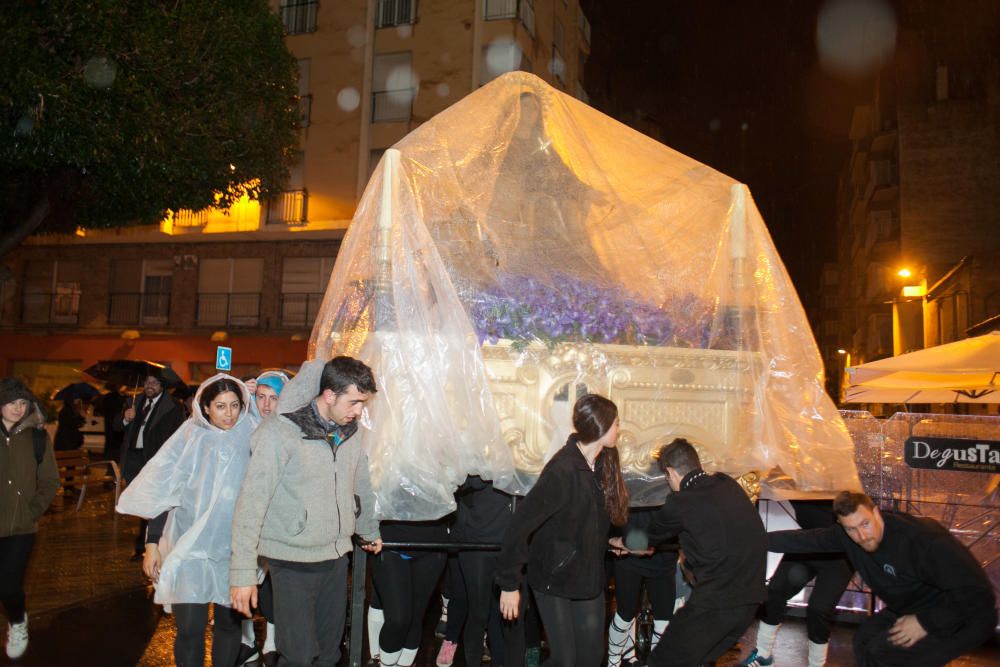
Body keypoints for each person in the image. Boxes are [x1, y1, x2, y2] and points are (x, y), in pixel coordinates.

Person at [229, 356, 383, 667]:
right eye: (354, 402)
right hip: (292, 560)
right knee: (297, 656)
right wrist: (242, 573)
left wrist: (369, 529)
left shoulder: (350, 433)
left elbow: (361, 483)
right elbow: (251, 504)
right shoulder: (280, 433)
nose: (359, 411)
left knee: (329, 653)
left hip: (336, 558)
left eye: (363, 403)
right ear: (329, 395)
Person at [117, 375, 258, 667]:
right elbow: (164, 489)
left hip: (233, 550)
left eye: (234, 405)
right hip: (188, 547)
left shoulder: (253, 435)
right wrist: (152, 543)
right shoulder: (188, 437)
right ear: (205, 407)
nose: (229, 413)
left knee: (228, 626)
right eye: (220, 406)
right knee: (190, 629)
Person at [768, 491, 997, 666]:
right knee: (863, 642)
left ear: (876, 512)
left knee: (885, 651)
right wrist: (755, 540)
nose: (862, 535)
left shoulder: (922, 539)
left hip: (964, 615)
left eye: (865, 524)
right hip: (912, 606)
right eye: (851, 529)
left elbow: (977, 595)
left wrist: (925, 622)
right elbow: (805, 540)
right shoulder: (848, 537)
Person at [497, 394, 629, 667]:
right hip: (553, 577)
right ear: (602, 427)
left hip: (587, 576)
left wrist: (610, 541)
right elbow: (519, 526)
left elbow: (591, 519)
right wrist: (509, 585)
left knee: (591, 659)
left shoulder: (606, 462)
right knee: (565, 661)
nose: (620, 428)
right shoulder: (562, 470)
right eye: (616, 423)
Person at [618, 438, 766, 667]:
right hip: (749, 603)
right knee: (698, 661)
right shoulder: (727, 484)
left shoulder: (682, 502)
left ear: (671, 472)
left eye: (667, 478)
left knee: (662, 661)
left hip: (715, 603)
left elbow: (644, 538)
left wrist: (619, 539)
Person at [737, 500, 854, 667]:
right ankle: (763, 656)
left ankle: (816, 665)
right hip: (808, 542)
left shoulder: (837, 478)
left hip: (839, 550)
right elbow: (762, 481)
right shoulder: (795, 478)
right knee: (774, 591)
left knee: (819, 608)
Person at [0, 378, 59, 660]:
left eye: (22, 402)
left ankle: (17, 620)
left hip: (21, 528)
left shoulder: (37, 437)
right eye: (11, 402)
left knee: (9, 585)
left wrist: (32, 511)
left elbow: (50, 481)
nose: (17, 408)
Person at [236, 369, 291, 667]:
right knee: (242, 577)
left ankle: (270, 642)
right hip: (245, 516)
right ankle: (246, 641)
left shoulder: (288, 429)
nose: (266, 405)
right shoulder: (242, 426)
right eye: (260, 397)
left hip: (276, 517)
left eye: (274, 398)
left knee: (271, 584)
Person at [116, 372, 186, 559]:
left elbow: (177, 437)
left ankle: (147, 545)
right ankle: (147, 543)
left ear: (162, 385)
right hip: (132, 459)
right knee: (140, 502)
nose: (149, 385)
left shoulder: (173, 407)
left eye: (154, 383)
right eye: (147, 382)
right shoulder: (134, 402)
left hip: (155, 462)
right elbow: (115, 426)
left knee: (152, 502)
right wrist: (125, 418)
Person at [607, 507, 679, 667]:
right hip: (630, 551)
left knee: (664, 618)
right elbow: (617, 507)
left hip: (663, 552)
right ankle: (614, 661)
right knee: (625, 613)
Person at [374, 517, 450, 667]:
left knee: (415, 618)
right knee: (398, 620)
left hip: (433, 543)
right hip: (390, 540)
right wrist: (368, 530)